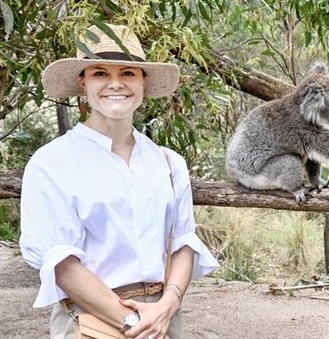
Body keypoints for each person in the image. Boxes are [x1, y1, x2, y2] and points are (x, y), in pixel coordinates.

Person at [20, 24, 219, 339]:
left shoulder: (168, 163)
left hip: (164, 316)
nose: (116, 83)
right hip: (92, 319)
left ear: (143, 83)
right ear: (82, 82)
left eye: (128, 73)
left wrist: (168, 304)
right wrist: (133, 323)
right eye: (100, 73)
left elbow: (183, 242)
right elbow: (62, 265)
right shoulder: (52, 163)